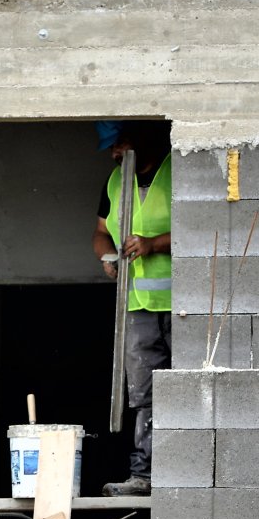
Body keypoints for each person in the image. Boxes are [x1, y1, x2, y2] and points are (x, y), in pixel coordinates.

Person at [92, 119, 173, 497]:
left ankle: (182, 475)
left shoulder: (176, 170)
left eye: (119, 144)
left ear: (138, 139)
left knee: (183, 390)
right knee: (143, 394)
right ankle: (145, 476)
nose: (114, 154)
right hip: (137, 305)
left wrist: (153, 244)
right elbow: (100, 232)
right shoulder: (114, 182)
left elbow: (204, 223)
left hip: (179, 305)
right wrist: (105, 257)